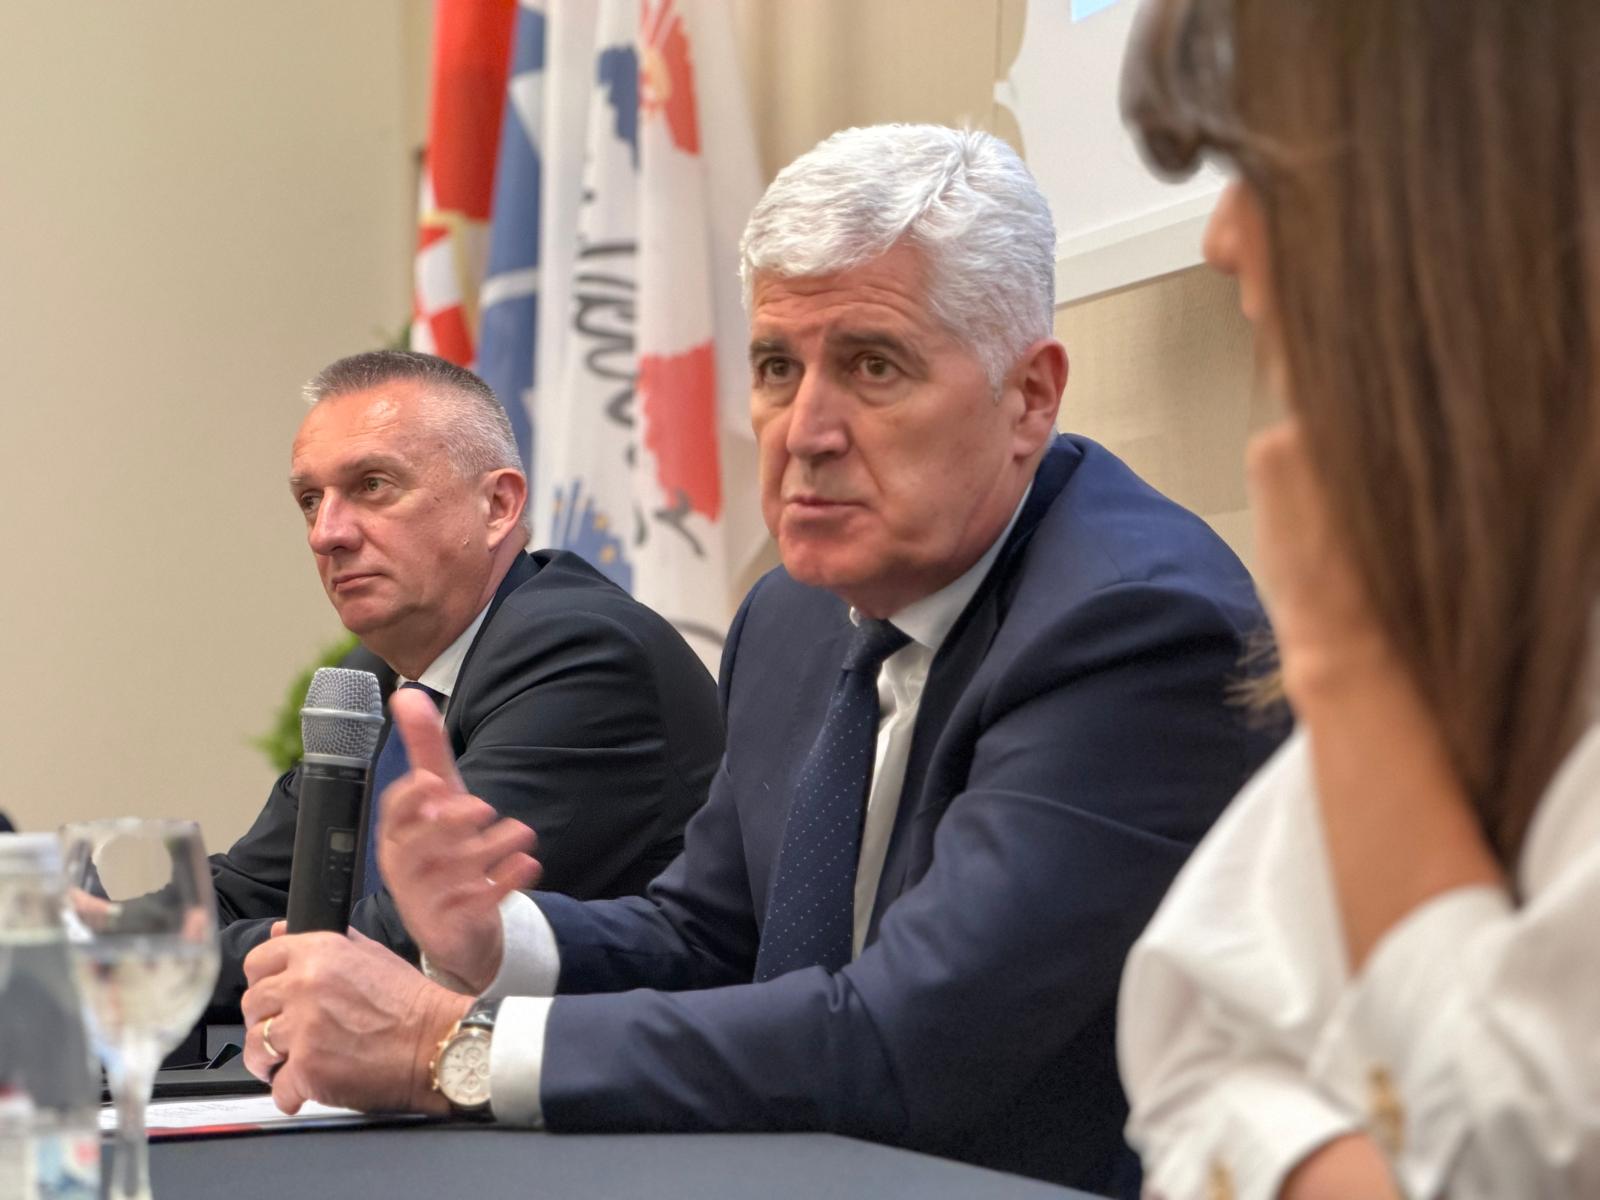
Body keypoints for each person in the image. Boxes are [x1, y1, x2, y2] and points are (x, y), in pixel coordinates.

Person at [239, 125, 1279, 1196]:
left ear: (1030, 397)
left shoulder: (1132, 628)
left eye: (873, 366)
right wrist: (495, 940)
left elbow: (904, 1038)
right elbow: (710, 937)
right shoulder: (793, 611)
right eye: (778, 367)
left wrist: (447, 1049)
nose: (805, 430)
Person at [1115, 2, 1600, 1198]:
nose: (1222, 239)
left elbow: (1520, 1165)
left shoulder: (1194, 612)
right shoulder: (1502, 574)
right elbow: (1188, 1046)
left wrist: (1345, 660)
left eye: (1260, 174)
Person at [206, 350, 723, 1012]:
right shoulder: (373, 678)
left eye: (372, 485)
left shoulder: (582, 653)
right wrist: (108, 935)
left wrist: (160, 965)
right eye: (311, 500)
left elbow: (409, 939)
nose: (326, 534)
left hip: (607, 1067)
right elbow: (248, 890)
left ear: (498, 505)